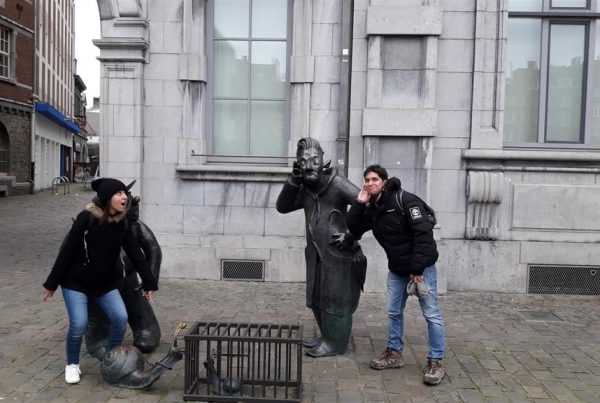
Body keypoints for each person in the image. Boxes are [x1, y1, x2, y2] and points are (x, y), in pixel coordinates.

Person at [42, 178, 158, 385]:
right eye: (119, 193)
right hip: (76, 283)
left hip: (104, 284)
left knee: (120, 317)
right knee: (79, 324)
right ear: (107, 198)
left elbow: (136, 254)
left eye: (125, 193)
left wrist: (149, 283)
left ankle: (110, 359)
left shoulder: (122, 223)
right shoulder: (86, 219)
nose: (125, 197)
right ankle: (72, 364)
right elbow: (67, 251)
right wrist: (51, 284)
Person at [346, 164, 446, 385]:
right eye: (367, 180)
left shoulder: (406, 201)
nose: (370, 183)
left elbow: (423, 234)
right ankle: (394, 353)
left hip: (421, 269)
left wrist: (417, 268)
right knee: (393, 312)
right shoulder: (373, 207)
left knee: (432, 315)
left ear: (384, 181)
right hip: (397, 269)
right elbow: (354, 228)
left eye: (374, 179)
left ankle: (436, 361)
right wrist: (359, 204)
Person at [276, 137, 366, 357]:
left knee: (337, 300)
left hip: (339, 254)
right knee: (316, 298)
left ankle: (337, 344)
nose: (309, 166)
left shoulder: (337, 183)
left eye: (315, 160)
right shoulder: (306, 187)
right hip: (315, 253)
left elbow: (366, 206)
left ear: (323, 160)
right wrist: (293, 181)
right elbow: (283, 206)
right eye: (304, 161)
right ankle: (327, 337)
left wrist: (351, 234)